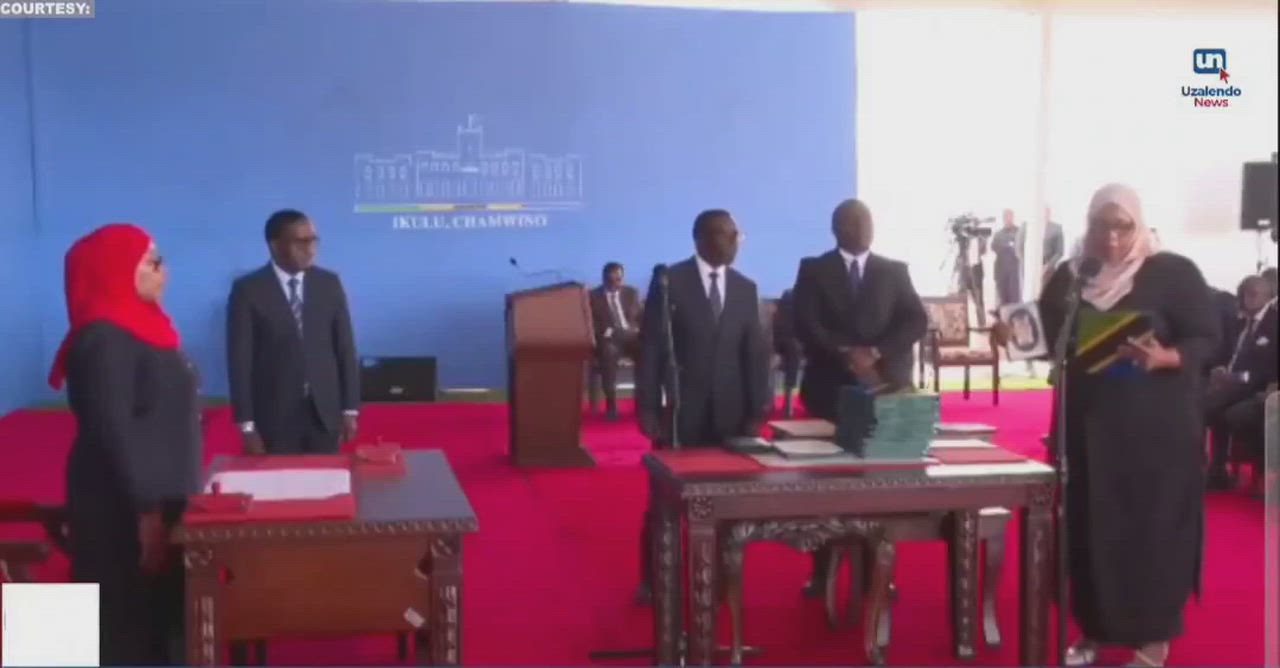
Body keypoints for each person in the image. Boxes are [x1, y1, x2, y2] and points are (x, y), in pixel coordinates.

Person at [994, 184, 1218, 667]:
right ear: (1088, 224)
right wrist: (1011, 334)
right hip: (1089, 431)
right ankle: (1095, 630)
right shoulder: (1072, 277)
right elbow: (1047, 339)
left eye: (1123, 227)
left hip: (1158, 433)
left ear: (1139, 224)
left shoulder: (1172, 273)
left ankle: (1154, 636)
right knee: (1091, 530)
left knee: (1152, 532)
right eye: (1102, 226)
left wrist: (1168, 356)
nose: (1112, 239)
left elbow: (1208, 337)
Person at [49, 223, 201, 665]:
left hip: (163, 500)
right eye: (152, 263)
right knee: (123, 627)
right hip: (122, 508)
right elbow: (111, 432)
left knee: (164, 623)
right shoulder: (104, 338)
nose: (164, 273)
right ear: (114, 270)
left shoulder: (148, 329)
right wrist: (146, 513)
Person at [632, 209, 771, 602]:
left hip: (731, 416)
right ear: (702, 238)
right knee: (665, 503)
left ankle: (718, 579)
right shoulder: (670, 282)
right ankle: (655, 580)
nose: (735, 242)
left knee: (725, 504)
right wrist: (647, 408)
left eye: (736, 235)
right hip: (680, 413)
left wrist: (758, 411)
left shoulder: (745, 288)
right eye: (728, 234)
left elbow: (756, 354)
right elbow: (652, 349)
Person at [792, 198, 927, 596]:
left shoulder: (893, 270)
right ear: (836, 229)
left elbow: (915, 319)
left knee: (880, 487)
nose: (863, 228)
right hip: (829, 390)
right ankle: (823, 574)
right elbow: (805, 322)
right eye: (853, 222)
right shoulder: (814, 269)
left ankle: (880, 575)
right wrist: (845, 353)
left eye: (866, 220)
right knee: (826, 488)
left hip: (884, 388)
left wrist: (876, 352)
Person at [227, 209, 360, 455]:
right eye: (301, 242)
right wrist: (246, 426)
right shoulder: (248, 290)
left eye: (314, 241)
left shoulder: (328, 284)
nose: (310, 249)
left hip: (325, 415)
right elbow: (240, 362)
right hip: (274, 418)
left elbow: (345, 348)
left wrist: (350, 409)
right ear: (275, 245)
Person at [1204, 275, 1277, 489]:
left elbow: (1268, 370)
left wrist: (1236, 378)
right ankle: (1216, 471)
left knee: (1230, 413)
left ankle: (1263, 472)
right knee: (1205, 406)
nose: (1249, 299)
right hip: (1232, 383)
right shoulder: (1238, 322)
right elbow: (1227, 354)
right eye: (1246, 294)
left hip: (1258, 386)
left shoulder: (1274, 323)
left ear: (1268, 296)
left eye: (1254, 294)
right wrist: (1220, 369)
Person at [588, 261, 643, 420]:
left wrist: (641, 330)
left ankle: (644, 403)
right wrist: (611, 332)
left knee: (647, 351)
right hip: (609, 339)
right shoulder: (593, 296)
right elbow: (591, 324)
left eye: (618, 280)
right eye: (610, 280)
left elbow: (641, 316)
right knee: (609, 352)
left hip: (631, 337)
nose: (615, 284)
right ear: (604, 279)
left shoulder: (631, 293)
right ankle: (611, 404)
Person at [992, 208, 1022, 306]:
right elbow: (994, 247)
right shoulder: (998, 234)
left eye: (1010, 216)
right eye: (1006, 217)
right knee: (1002, 299)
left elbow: (1021, 248)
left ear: (1013, 217)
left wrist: (1008, 247)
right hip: (1001, 271)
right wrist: (1008, 246)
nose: (1008, 219)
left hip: (1015, 271)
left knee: (1014, 299)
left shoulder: (1019, 232)